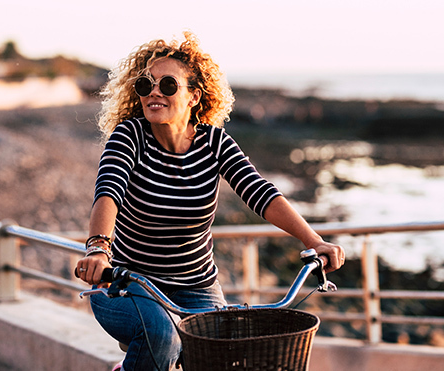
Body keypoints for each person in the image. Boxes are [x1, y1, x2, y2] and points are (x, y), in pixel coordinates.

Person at [76, 31, 345, 371]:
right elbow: (108, 192)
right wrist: (98, 248)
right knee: (162, 335)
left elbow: (259, 191)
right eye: (146, 85)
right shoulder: (129, 137)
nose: (155, 92)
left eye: (169, 85)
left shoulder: (214, 143)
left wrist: (314, 241)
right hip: (127, 282)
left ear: (193, 96)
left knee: (222, 357)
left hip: (197, 286)